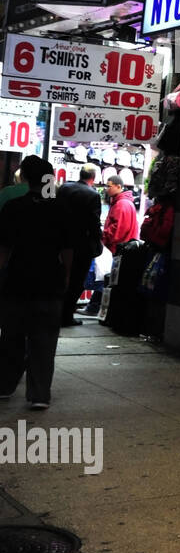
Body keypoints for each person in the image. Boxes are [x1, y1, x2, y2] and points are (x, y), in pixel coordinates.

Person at [0, 156, 74, 409]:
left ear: (25, 178)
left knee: (12, 337)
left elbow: (4, 251)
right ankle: (40, 394)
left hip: (17, 281)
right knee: (44, 340)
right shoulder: (61, 208)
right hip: (49, 282)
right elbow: (67, 250)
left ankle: (6, 385)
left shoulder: (13, 207)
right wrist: (65, 276)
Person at [57, 166, 103, 327]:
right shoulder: (93, 195)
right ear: (93, 177)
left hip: (61, 241)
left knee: (61, 277)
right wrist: (98, 241)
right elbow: (94, 223)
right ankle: (66, 315)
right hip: (81, 245)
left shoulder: (64, 188)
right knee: (77, 281)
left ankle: (57, 312)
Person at [101, 175, 139, 255]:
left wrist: (103, 236)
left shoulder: (121, 204)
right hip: (123, 248)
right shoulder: (123, 201)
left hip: (118, 250)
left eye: (109, 186)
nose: (106, 189)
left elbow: (117, 229)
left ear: (118, 187)